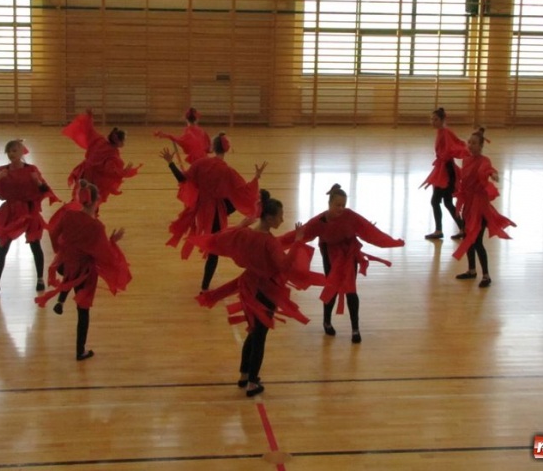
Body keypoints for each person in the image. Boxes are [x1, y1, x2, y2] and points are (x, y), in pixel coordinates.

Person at [192, 190, 325, 397]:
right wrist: (298, 242)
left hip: (248, 287)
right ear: (269, 218)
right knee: (259, 336)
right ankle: (253, 382)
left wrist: (242, 224)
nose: (282, 219)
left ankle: (244, 375)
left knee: (253, 332)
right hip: (266, 290)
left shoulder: (246, 234)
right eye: (280, 216)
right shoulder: (269, 242)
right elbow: (283, 266)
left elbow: (226, 237)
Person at [282, 184, 405, 344]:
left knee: (351, 289)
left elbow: (369, 231)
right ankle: (327, 321)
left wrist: (392, 242)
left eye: (343, 205)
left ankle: (355, 329)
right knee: (331, 286)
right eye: (337, 205)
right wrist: (276, 242)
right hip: (329, 252)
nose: (341, 208)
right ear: (329, 204)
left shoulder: (350, 216)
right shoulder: (319, 221)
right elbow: (299, 234)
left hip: (348, 252)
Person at [35, 179, 131, 361]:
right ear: (95, 202)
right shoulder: (96, 227)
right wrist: (113, 242)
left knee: (68, 279)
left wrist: (61, 250)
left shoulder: (69, 215)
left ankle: (61, 302)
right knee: (83, 310)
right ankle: (80, 351)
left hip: (66, 262)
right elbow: (104, 253)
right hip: (84, 272)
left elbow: (55, 233)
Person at [160, 132, 266, 291]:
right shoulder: (228, 171)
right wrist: (256, 178)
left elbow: (182, 179)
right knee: (213, 250)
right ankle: (204, 286)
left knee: (214, 243)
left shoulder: (200, 164)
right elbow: (245, 191)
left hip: (202, 208)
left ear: (212, 147)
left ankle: (205, 284)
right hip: (216, 211)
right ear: (227, 150)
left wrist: (170, 163)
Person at [0, 139, 60, 299]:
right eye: (9, 151)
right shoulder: (2, 170)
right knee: (3, 246)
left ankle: (40, 279)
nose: (11, 154)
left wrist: (38, 182)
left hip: (29, 211)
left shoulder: (31, 169)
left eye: (14, 151)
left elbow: (45, 189)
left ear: (21, 152)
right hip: (11, 211)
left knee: (35, 244)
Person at [452, 128, 516, 288]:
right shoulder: (466, 160)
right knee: (468, 237)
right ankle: (471, 270)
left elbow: (488, 170)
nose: (471, 145)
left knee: (477, 241)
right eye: (469, 143)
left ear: (481, 146)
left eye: (474, 143)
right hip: (469, 204)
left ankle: (486, 275)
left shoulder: (484, 160)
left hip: (480, 206)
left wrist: (493, 175)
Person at [62, 109, 141, 210]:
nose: (124, 143)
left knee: (79, 196)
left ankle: (70, 212)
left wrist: (89, 117)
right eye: (123, 141)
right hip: (93, 179)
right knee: (90, 202)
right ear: (118, 142)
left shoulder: (99, 139)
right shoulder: (113, 153)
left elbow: (90, 129)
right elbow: (111, 170)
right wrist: (124, 172)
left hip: (83, 172)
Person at [421, 107, 469, 240]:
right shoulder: (441, 132)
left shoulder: (446, 132)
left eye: (435, 119)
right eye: (432, 119)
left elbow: (454, 147)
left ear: (443, 120)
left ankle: (440, 230)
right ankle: (461, 228)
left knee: (436, 201)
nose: (433, 122)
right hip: (443, 169)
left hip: (446, 171)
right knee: (445, 202)